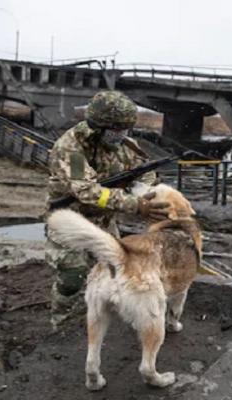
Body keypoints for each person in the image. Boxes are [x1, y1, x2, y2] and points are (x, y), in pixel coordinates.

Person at [46, 90, 170, 328]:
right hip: (70, 219)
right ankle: (61, 324)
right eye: (116, 130)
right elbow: (87, 191)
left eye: (125, 129)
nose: (121, 135)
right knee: (73, 276)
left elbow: (146, 171)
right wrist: (134, 205)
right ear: (98, 126)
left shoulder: (126, 145)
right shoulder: (72, 148)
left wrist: (142, 190)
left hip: (104, 221)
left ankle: (106, 316)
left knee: (116, 271)